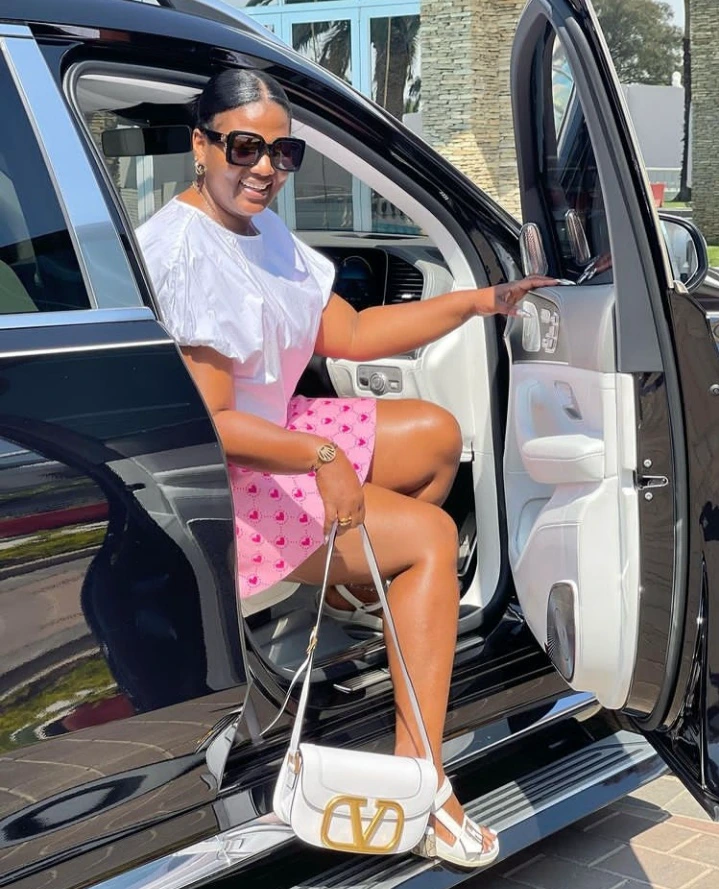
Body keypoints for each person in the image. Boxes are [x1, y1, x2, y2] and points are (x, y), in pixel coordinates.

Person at [137, 68, 555, 869]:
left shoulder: (259, 229)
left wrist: (479, 302)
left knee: (434, 433)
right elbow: (215, 424)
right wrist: (321, 456)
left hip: (279, 431)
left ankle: (355, 592)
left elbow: (353, 333)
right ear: (200, 145)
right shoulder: (185, 251)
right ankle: (423, 783)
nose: (265, 167)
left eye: (283, 153)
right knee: (430, 538)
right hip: (232, 471)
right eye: (244, 147)